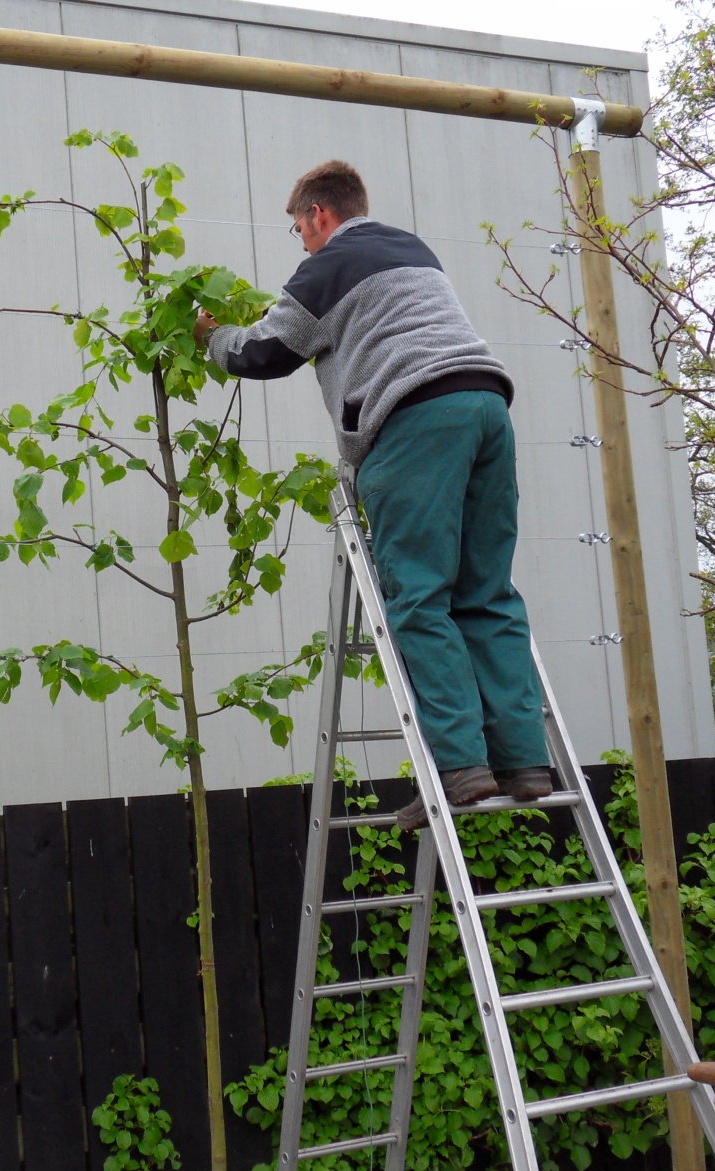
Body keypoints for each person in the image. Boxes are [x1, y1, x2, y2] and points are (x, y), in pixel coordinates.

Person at [193, 160, 553, 824]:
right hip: (485, 408)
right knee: (487, 593)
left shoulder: (328, 265)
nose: (299, 240)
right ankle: (525, 762)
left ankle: (461, 771)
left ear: (318, 215)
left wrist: (212, 338)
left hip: (415, 424)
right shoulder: (410, 249)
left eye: (296, 226)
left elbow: (265, 353)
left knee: (419, 596)